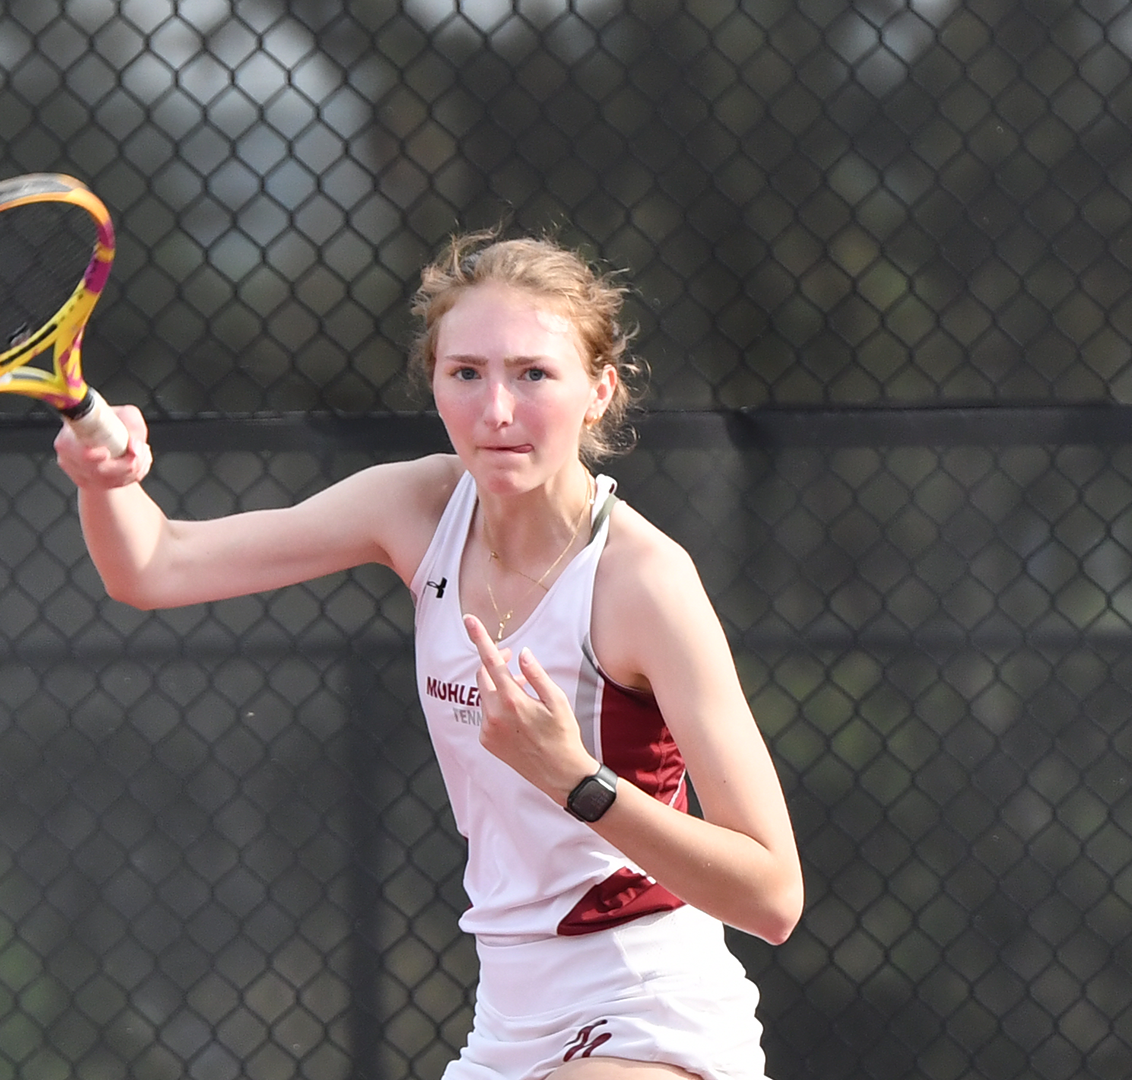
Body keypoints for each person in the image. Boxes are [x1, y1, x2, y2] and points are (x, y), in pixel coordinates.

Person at [54, 230, 802, 1080]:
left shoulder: (645, 583)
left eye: (534, 374)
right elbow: (155, 567)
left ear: (599, 390)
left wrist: (576, 780)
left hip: (645, 1003)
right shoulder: (416, 506)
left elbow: (773, 896)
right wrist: (103, 484)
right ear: (436, 381)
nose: (497, 411)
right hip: (509, 1020)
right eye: (466, 373)